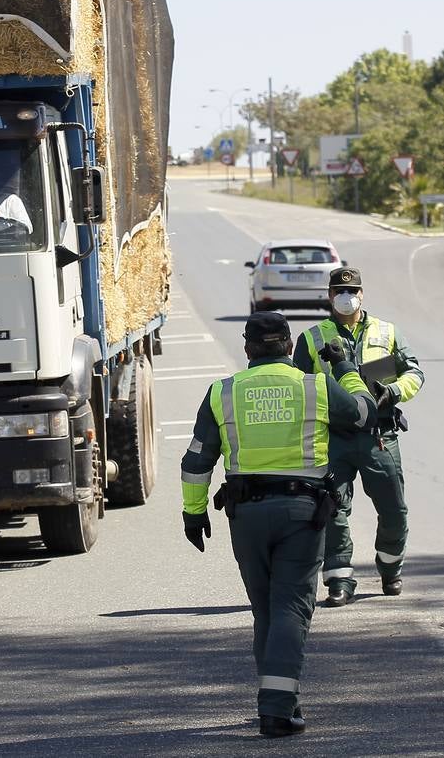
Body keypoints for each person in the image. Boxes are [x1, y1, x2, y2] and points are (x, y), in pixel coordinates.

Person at [181, 311, 376, 738]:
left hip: (246, 515)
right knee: (291, 607)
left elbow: (196, 462)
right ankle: (275, 709)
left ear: (247, 346)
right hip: (302, 513)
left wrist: (193, 513)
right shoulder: (316, 386)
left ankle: (282, 700)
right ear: (288, 346)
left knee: (266, 609)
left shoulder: (223, 392)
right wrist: (344, 366)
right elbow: (364, 414)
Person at [293, 267, 424, 607]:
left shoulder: (386, 331)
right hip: (333, 436)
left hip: (379, 435)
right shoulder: (313, 338)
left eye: (351, 291)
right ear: (329, 296)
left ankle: (390, 567)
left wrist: (392, 391)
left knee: (394, 509)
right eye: (338, 291)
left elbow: (414, 373)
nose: (345, 297)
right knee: (332, 508)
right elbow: (300, 387)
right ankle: (339, 580)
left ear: (362, 294)